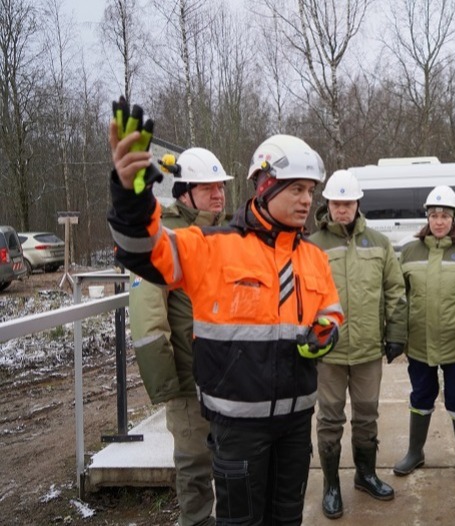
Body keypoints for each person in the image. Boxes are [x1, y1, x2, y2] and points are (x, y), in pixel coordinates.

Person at [108, 122, 344, 525]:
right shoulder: (213, 246)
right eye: (296, 189)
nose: (307, 200)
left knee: (287, 520)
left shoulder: (313, 257)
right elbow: (144, 252)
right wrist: (131, 198)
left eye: (310, 190)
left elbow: (331, 310)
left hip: (295, 426)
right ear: (265, 186)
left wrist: (327, 329)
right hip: (239, 430)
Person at [129, 148, 232, 526]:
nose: (219, 195)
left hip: (227, 375)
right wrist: (168, 385)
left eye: (221, 188)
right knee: (194, 464)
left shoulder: (222, 234)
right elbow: (146, 318)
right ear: (185, 192)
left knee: (229, 459)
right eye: (209, 189)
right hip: (189, 380)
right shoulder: (162, 239)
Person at [308, 169, 408, 519]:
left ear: (357, 204)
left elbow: (395, 290)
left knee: (367, 417)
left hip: (367, 349)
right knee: (330, 420)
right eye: (336, 203)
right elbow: (301, 296)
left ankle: (365, 474)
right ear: (328, 205)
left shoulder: (378, 243)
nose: (342, 210)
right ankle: (332, 484)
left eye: (348, 203)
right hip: (328, 353)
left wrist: (396, 332)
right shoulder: (312, 244)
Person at [392, 185, 455, 484]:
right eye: (434, 215)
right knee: (421, 396)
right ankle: (415, 451)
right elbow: (398, 298)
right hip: (419, 345)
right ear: (427, 218)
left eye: (445, 215)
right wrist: (396, 336)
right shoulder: (409, 251)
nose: (439, 221)